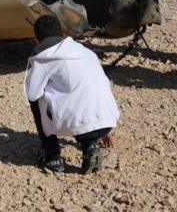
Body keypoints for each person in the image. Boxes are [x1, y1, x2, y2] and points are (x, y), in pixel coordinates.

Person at [24, 15, 118, 174]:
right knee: (84, 90)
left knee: (37, 100)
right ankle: (90, 145)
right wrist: (104, 129)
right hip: (107, 119)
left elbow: (32, 94)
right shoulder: (86, 51)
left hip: (79, 124)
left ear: (36, 40)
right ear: (63, 35)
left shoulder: (43, 58)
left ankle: (51, 154)